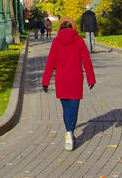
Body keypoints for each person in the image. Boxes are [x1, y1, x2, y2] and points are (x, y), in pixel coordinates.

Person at [41, 18, 96, 151]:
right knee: (74, 108)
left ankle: (68, 132)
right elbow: (86, 61)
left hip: (61, 79)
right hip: (75, 79)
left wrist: (45, 81)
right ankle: (70, 133)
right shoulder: (79, 41)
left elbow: (50, 62)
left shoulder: (56, 41)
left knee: (66, 108)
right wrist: (91, 79)